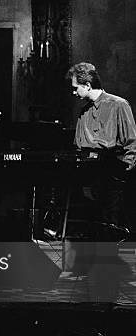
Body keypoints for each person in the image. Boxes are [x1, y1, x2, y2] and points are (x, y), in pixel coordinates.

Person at [66, 62, 136, 232]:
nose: (73, 92)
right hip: (90, 178)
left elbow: (132, 144)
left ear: (88, 85)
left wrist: (121, 176)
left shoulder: (118, 105)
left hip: (114, 178)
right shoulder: (84, 111)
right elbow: (78, 146)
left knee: (113, 230)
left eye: (76, 88)